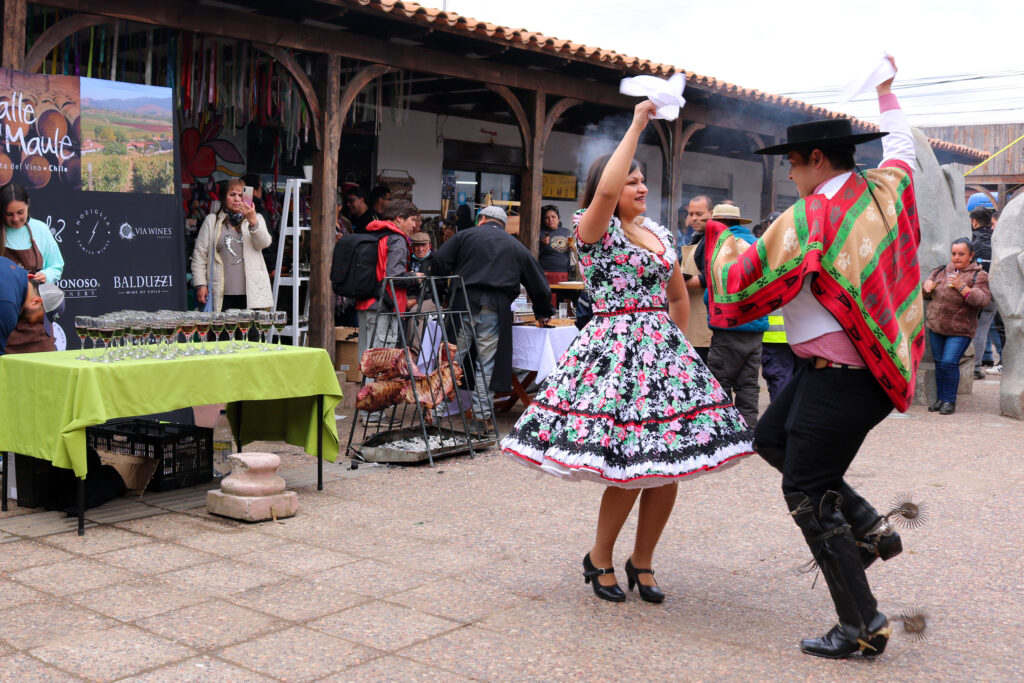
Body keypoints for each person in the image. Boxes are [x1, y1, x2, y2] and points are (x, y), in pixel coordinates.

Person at [701, 59, 921, 658]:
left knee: (805, 489)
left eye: (794, 163)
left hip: (841, 376)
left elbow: (740, 282)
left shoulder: (811, 218)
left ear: (818, 160)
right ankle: (871, 530)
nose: (792, 173)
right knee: (770, 438)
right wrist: (886, 93)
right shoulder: (884, 189)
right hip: (865, 367)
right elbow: (903, 149)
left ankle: (861, 624)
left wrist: (718, 240)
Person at [500, 101, 752, 605]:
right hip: (614, 357)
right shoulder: (594, 229)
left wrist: (675, 351)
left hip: (664, 358)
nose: (640, 187)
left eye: (643, 181)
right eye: (632, 180)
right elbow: (609, 190)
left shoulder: (658, 235)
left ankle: (644, 561)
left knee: (670, 466)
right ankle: (599, 556)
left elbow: (678, 295)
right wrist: (638, 125)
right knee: (629, 468)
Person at [429, 204, 553, 432]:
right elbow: (538, 281)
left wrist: (441, 291)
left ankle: (434, 414)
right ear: (502, 225)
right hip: (495, 308)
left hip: (463, 303)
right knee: (485, 365)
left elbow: (439, 261)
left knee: (450, 361)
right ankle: (480, 418)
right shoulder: (514, 245)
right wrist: (543, 311)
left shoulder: (464, 236)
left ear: (481, 219)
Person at [698, 203, 768, 427]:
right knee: (748, 383)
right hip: (755, 328)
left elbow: (714, 290)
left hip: (728, 327)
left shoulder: (721, 246)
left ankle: (724, 431)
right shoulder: (756, 245)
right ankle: (748, 429)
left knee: (721, 381)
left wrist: (707, 301)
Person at [922, 238, 991, 414]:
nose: (957, 257)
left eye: (961, 254)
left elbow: (983, 300)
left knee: (949, 362)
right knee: (940, 363)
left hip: (960, 330)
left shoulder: (979, 275)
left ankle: (949, 401)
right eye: (954, 253)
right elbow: (926, 294)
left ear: (971, 255)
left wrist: (963, 288)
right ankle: (940, 399)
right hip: (937, 327)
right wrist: (927, 287)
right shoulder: (941, 271)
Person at [191, 177, 273, 312]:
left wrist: (253, 222)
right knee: (224, 332)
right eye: (232, 194)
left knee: (251, 333)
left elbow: (264, 243)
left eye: (241, 195)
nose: (237, 199)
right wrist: (200, 284)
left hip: (252, 295)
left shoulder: (256, 218)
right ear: (224, 198)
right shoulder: (212, 221)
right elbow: (199, 255)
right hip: (222, 294)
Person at [0, 183, 63, 353]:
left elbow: (57, 265)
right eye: (9, 214)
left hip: (35, 318)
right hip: (5, 317)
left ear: (28, 204)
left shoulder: (40, 229)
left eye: (20, 212)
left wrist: (46, 275)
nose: (15, 219)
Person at [968, 206, 997, 380]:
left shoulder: (971, 240)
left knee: (966, 328)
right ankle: (975, 367)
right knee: (982, 330)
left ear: (974, 221)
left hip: (972, 289)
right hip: (992, 291)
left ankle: (965, 365)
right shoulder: (997, 240)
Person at [0, 257, 44, 355]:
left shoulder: (10, 265)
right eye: (40, 319)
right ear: (36, 302)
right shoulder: (8, 306)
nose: (33, 324)